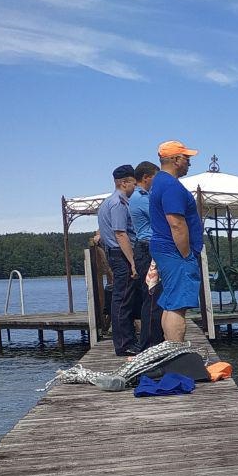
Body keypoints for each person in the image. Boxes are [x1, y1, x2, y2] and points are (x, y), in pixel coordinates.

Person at [148, 140, 203, 343]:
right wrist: (187, 254)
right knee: (178, 305)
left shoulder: (160, 182)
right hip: (176, 252)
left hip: (167, 250)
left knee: (172, 302)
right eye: (187, 158)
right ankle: (177, 354)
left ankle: (172, 351)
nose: (189, 163)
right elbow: (177, 224)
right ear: (175, 159)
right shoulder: (171, 186)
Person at [96, 164, 139, 355]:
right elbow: (121, 234)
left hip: (114, 253)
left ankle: (127, 340)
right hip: (120, 255)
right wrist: (132, 261)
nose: (135, 188)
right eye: (133, 184)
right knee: (123, 299)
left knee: (122, 298)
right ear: (124, 182)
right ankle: (124, 344)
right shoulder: (119, 204)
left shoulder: (107, 202)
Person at [129, 160, 163, 350]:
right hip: (146, 248)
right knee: (152, 296)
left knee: (154, 296)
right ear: (146, 178)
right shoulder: (140, 198)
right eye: (155, 178)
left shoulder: (143, 196)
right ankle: (150, 343)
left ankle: (154, 340)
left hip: (148, 248)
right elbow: (159, 215)